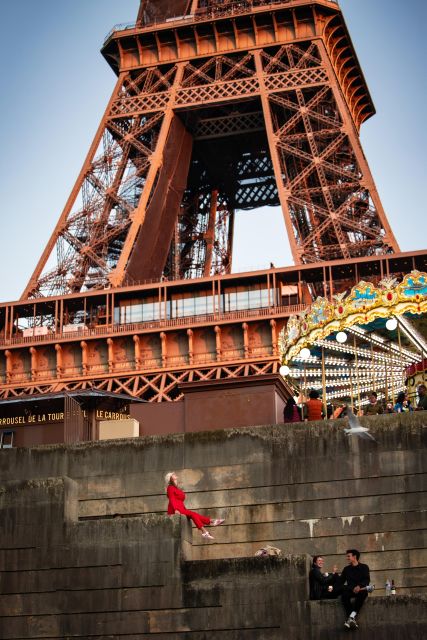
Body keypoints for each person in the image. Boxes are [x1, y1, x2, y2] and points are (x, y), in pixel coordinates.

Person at [165, 472, 224, 540]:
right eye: (173, 475)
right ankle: (207, 527)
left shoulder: (176, 488)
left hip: (181, 508)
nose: (175, 475)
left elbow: (179, 499)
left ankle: (209, 525)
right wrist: (176, 509)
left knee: (194, 515)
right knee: (193, 514)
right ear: (170, 478)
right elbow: (172, 499)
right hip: (176, 509)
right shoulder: (170, 488)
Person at [338, 549, 371, 630]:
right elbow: (340, 582)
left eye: (348, 556)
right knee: (344, 595)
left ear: (354, 556)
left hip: (361, 590)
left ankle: (350, 618)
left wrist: (359, 586)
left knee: (363, 594)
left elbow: (367, 580)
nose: (347, 558)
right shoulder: (346, 569)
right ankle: (351, 618)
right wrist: (351, 588)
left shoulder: (364, 567)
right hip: (350, 591)